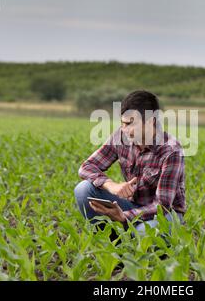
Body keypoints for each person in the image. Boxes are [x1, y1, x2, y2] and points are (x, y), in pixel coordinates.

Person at [74, 90, 186, 236]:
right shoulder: (121, 137)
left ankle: (137, 239)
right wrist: (111, 185)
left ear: (151, 121)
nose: (125, 130)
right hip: (133, 204)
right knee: (83, 190)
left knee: (142, 233)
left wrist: (123, 217)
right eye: (123, 123)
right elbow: (86, 167)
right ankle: (113, 243)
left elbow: (162, 206)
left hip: (166, 214)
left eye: (130, 124)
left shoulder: (171, 151)